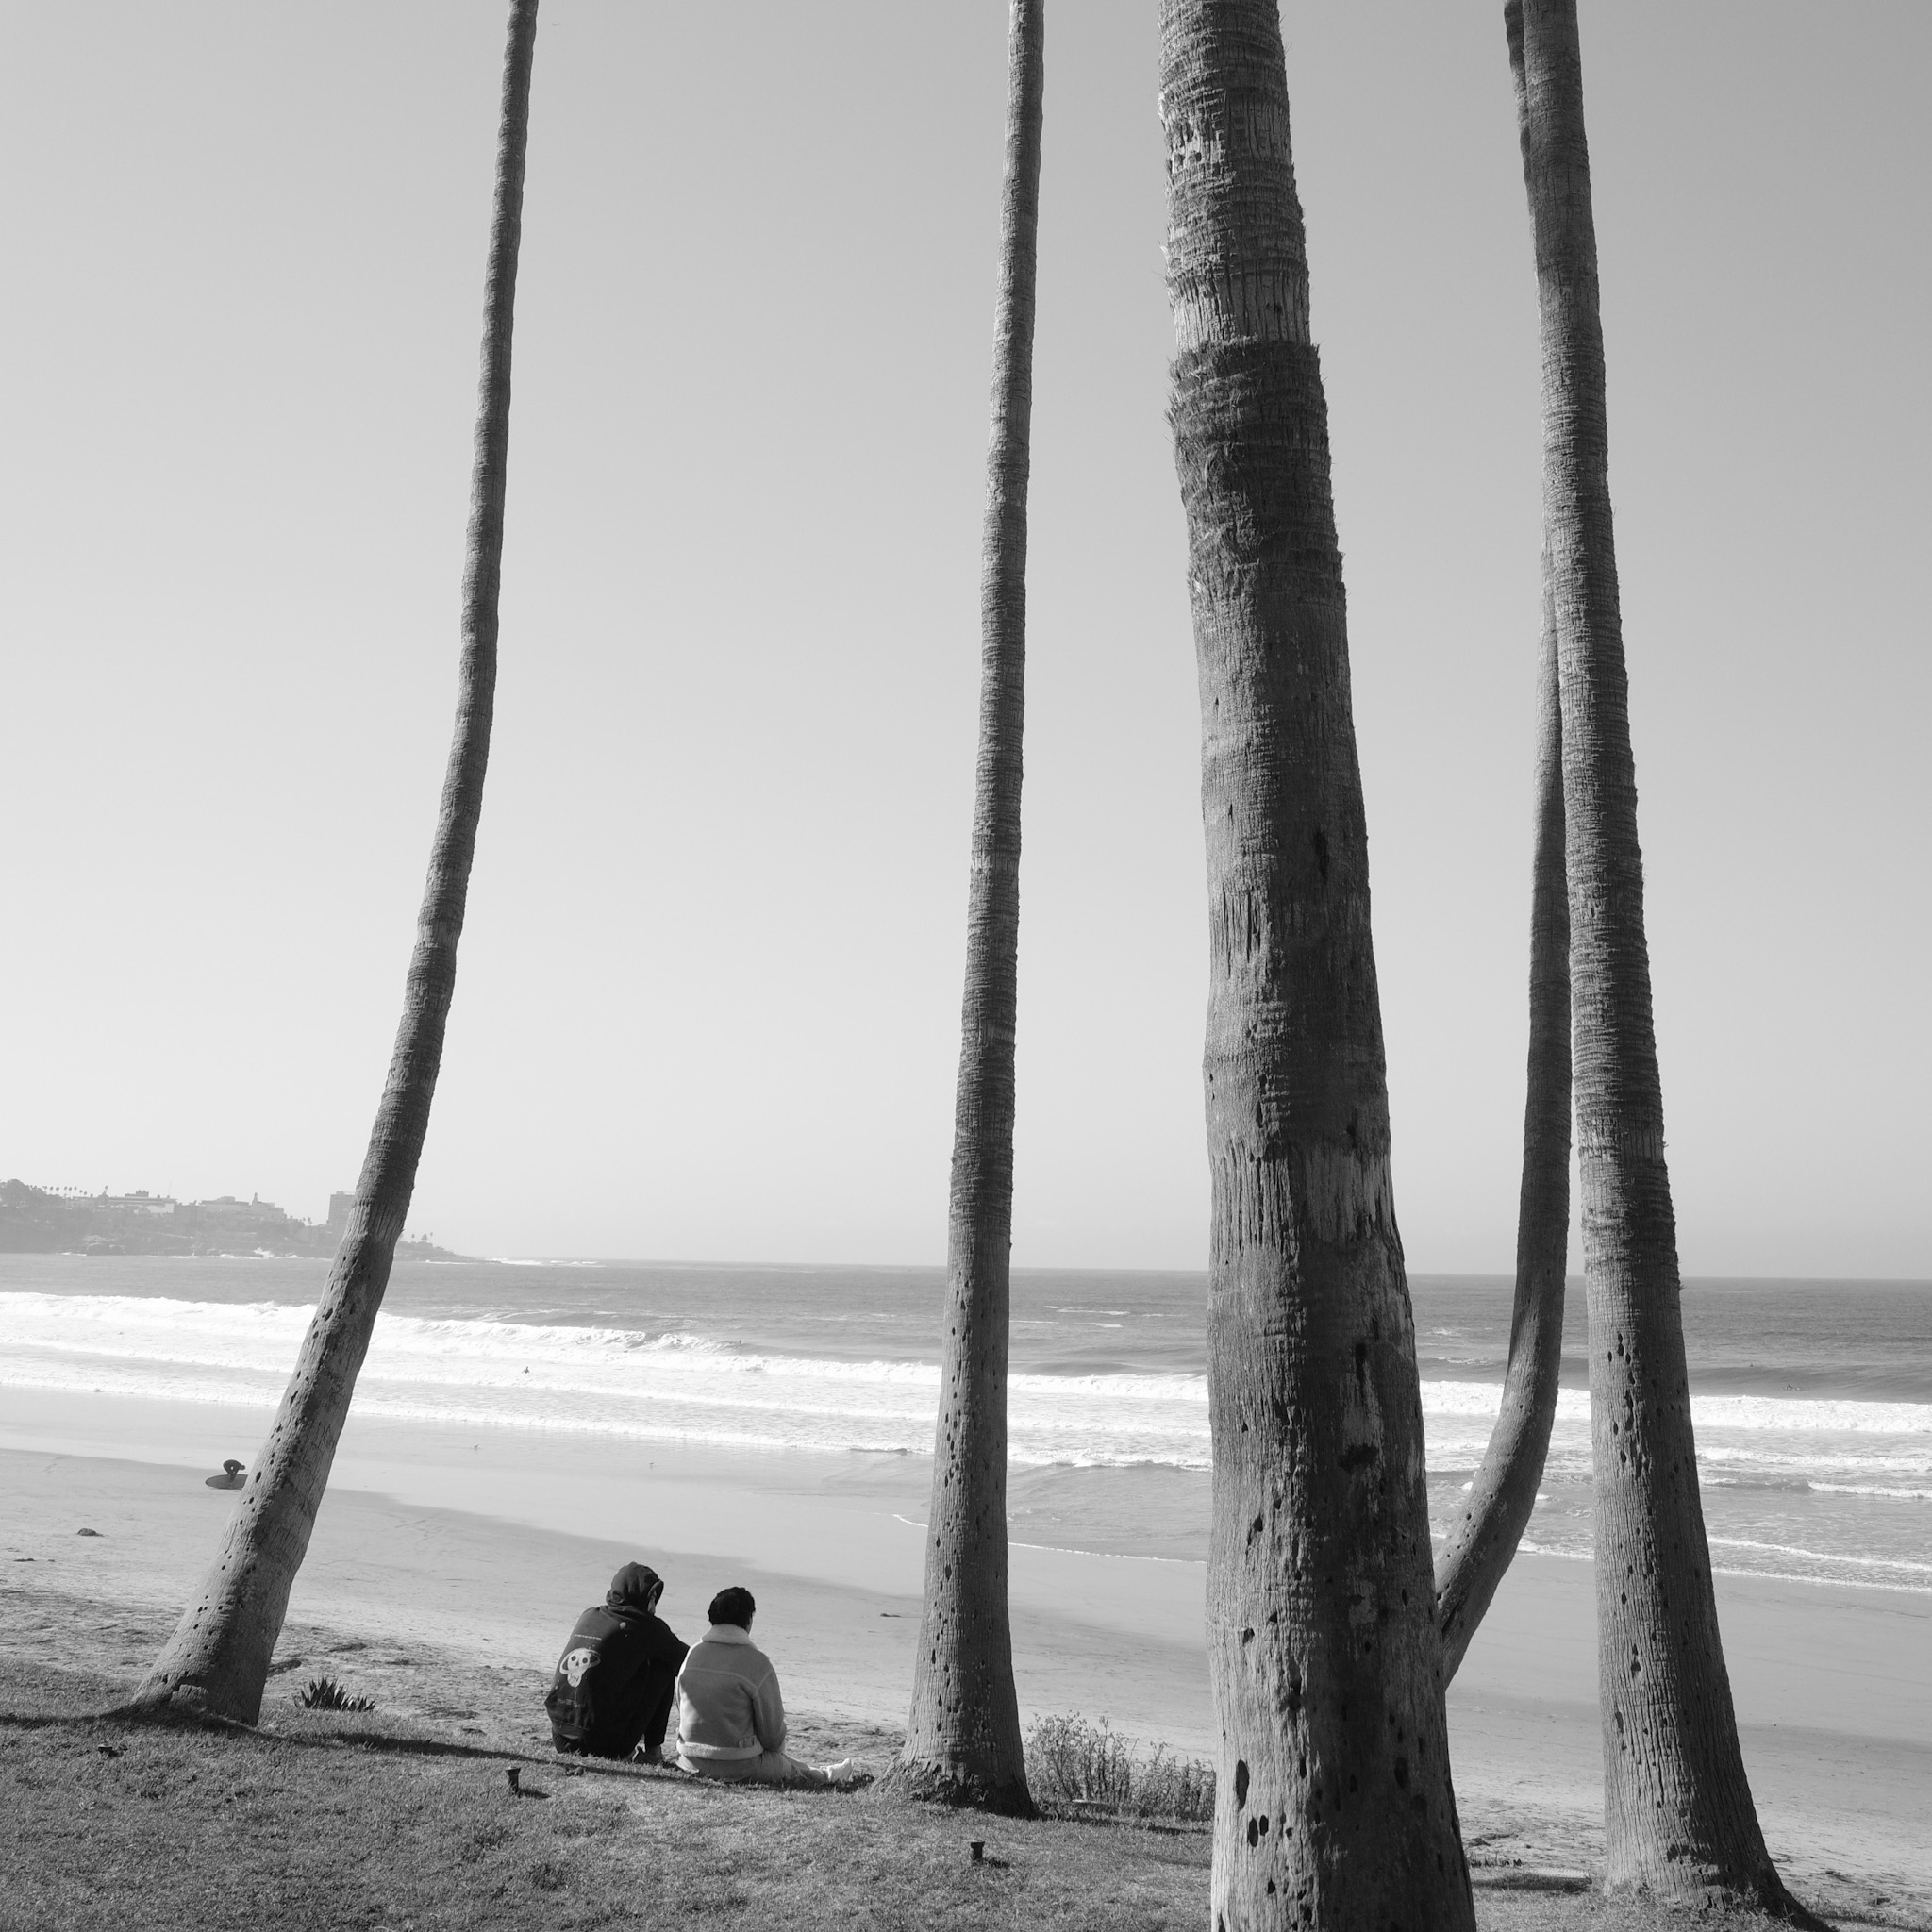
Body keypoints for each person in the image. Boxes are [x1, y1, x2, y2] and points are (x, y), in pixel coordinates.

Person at [674, 1586, 866, 1788]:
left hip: (689, 1760)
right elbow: (773, 1736)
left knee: (782, 1762)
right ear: (748, 1620)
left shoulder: (693, 1654)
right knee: (783, 1765)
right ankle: (826, 1777)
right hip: (738, 1766)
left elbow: (682, 1704)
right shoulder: (757, 1663)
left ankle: (824, 1773)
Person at [545, 1562, 689, 1763]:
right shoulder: (646, 1626)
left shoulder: (589, 1615)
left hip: (560, 1736)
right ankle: (653, 1753)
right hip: (604, 1745)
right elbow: (688, 1660)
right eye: (652, 1598)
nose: (654, 1607)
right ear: (643, 1596)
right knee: (664, 1665)